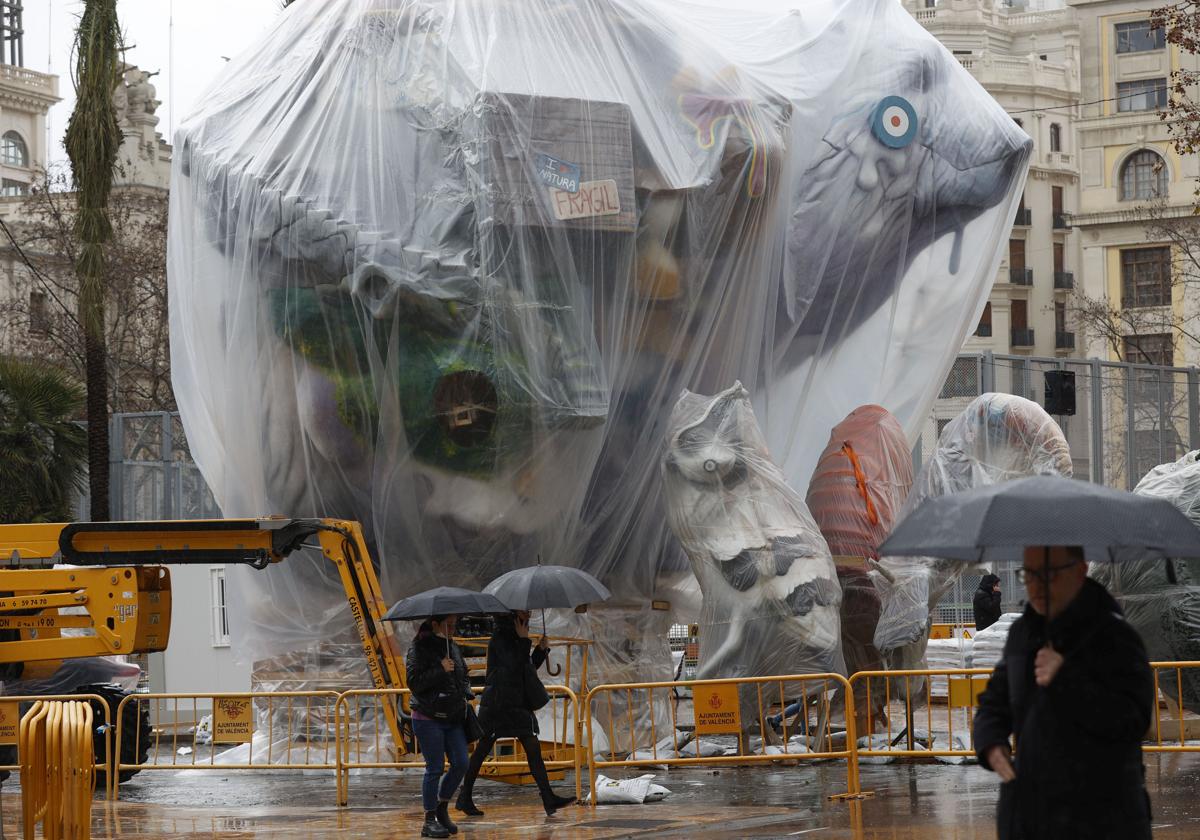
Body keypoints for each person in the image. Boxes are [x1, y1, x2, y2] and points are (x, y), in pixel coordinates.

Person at [973, 546, 1154, 840]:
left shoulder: (1115, 637)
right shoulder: (1023, 633)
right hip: (1031, 815)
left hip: (1101, 818)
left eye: (1049, 574)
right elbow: (996, 700)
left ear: (1080, 570)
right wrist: (990, 743)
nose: (1037, 585)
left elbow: (1133, 719)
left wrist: (1067, 677)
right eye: (1029, 574)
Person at [455, 611, 576, 817]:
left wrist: (540, 651)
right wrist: (524, 641)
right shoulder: (501, 636)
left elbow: (525, 668)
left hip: (516, 704)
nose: (528, 612)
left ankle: (548, 798)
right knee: (482, 749)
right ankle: (465, 796)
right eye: (524, 609)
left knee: (532, 747)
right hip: (499, 705)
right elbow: (512, 667)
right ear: (512, 611)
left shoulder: (515, 634)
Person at [406, 614, 472, 838]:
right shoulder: (418, 648)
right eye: (449, 625)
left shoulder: (452, 646)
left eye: (455, 624)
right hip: (427, 716)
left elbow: (463, 673)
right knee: (434, 767)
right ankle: (429, 819)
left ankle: (442, 806)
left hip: (452, 715)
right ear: (435, 624)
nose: (454, 629)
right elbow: (414, 682)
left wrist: (465, 690)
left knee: (462, 762)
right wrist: (440, 669)